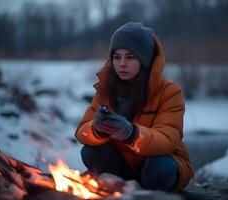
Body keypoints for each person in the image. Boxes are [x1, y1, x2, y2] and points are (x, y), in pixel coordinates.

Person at [75, 22, 193, 191]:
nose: (122, 64)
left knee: (158, 166)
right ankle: (119, 188)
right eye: (117, 57)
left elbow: (168, 140)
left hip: (159, 164)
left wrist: (130, 133)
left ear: (145, 60)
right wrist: (97, 129)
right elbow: (81, 132)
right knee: (90, 151)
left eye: (130, 57)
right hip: (124, 166)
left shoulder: (169, 91)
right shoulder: (105, 90)